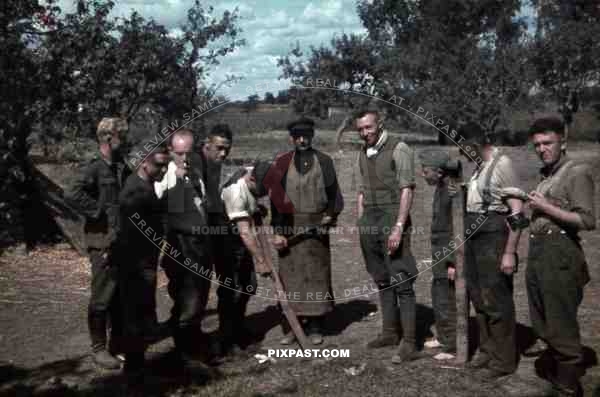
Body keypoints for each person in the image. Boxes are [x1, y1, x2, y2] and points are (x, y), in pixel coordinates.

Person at [526, 116, 595, 396]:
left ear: (563, 141)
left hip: (561, 253)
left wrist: (545, 207)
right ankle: (557, 365)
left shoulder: (577, 171)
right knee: (542, 315)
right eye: (537, 145)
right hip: (540, 251)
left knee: (560, 319)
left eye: (548, 143)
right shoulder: (548, 174)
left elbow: (587, 220)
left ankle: (568, 380)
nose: (542, 149)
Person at [265, 117, 343, 345]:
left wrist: (330, 214)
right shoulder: (281, 163)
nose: (302, 140)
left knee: (316, 277)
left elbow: (334, 196)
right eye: (297, 136)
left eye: (306, 136)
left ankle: (317, 325)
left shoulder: (325, 161)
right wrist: (278, 231)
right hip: (290, 230)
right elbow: (276, 201)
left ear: (312, 137)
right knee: (291, 279)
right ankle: (294, 325)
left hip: (316, 229)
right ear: (291, 139)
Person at [459, 122, 525, 380]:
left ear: (472, 145)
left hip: (494, 237)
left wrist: (510, 252)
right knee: (478, 296)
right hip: (475, 238)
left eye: (462, 149)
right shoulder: (480, 168)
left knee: (496, 300)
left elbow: (518, 214)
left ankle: (504, 360)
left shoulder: (502, 164)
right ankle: (487, 349)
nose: (461, 155)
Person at [353, 110, 419, 364]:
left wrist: (399, 226)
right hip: (370, 220)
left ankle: (410, 343)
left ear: (380, 124)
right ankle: (390, 333)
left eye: (369, 127)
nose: (365, 133)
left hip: (392, 217)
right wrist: (361, 221)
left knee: (401, 279)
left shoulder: (399, 148)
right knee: (381, 279)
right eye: (361, 129)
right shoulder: (361, 152)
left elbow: (407, 190)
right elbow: (361, 190)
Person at [66, 117, 130, 369]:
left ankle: (116, 344)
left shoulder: (121, 166)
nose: (125, 141)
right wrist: (97, 211)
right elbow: (71, 193)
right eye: (122, 136)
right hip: (101, 241)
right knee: (102, 297)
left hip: (120, 241)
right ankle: (98, 349)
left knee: (118, 296)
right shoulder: (93, 167)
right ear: (107, 137)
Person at [154, 129, 212, 364]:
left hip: (200, 244)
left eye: (188, 153)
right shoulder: (165, 176)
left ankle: (194, 340)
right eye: (179, 154)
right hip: (181, 246)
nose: (184, 159)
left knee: (200, 296)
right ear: (170, 151)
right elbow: (162, 211)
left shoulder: (196, 172)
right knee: (186, 298)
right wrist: (176, 179)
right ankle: (185, 353)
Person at [112, 143, 169, 377]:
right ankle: (134, 366)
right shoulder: (135, 190)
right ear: (144, 163)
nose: (163, 170)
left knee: (140, 309)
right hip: (135, 260)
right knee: (135, 311)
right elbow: (131, 230)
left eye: (165, 165)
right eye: (158, 165)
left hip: (143, 258)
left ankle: (135, 360)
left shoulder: (145, 185)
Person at [218, 161, 272, 352]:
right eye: (261, 189)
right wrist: (261, 260)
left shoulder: (252, 172)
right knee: (231, 290)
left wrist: (255, 207)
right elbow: (245, 232)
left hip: (241, 237)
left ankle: (238, 327)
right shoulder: (236, 191)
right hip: (227, 242)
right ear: (251, 179)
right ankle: (227, 337)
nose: (263, 194)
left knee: (249, 286)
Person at [418, 149, 459, 360]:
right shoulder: (441, 188)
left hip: (447, 254)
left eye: (426, 171)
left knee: (447, 299)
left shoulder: (452, 191)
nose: (423, 174)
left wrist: (453, 261)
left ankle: (452, 345)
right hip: (439, 252)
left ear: (440, 172)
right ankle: (443, 337)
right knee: (438, 293)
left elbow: (455, 227)